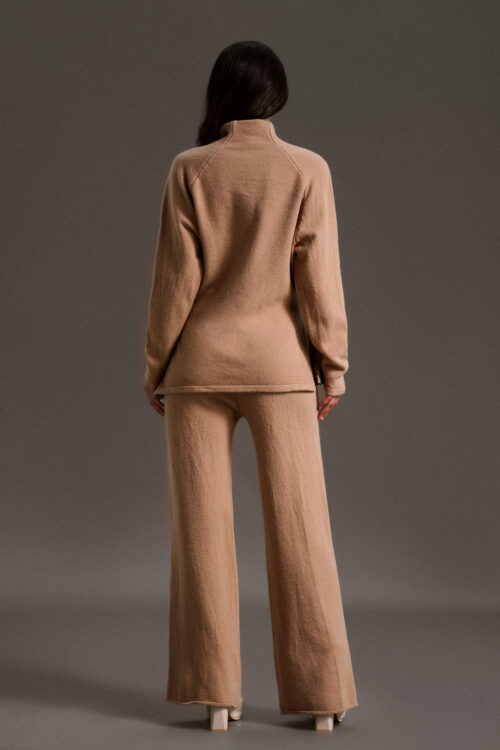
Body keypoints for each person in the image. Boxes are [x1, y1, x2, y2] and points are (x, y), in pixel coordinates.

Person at [143, 40, 358, 732]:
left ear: (221, 96)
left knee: (200, 536)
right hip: (280, 370)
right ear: (276, 97)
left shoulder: (190, 169)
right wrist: (332, 367)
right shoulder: (306, 169)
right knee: (302, 532)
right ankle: (322, 698)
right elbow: (319, 279)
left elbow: (174, 283)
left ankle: (216, 696)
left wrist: (156, 367)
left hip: (197, 368)